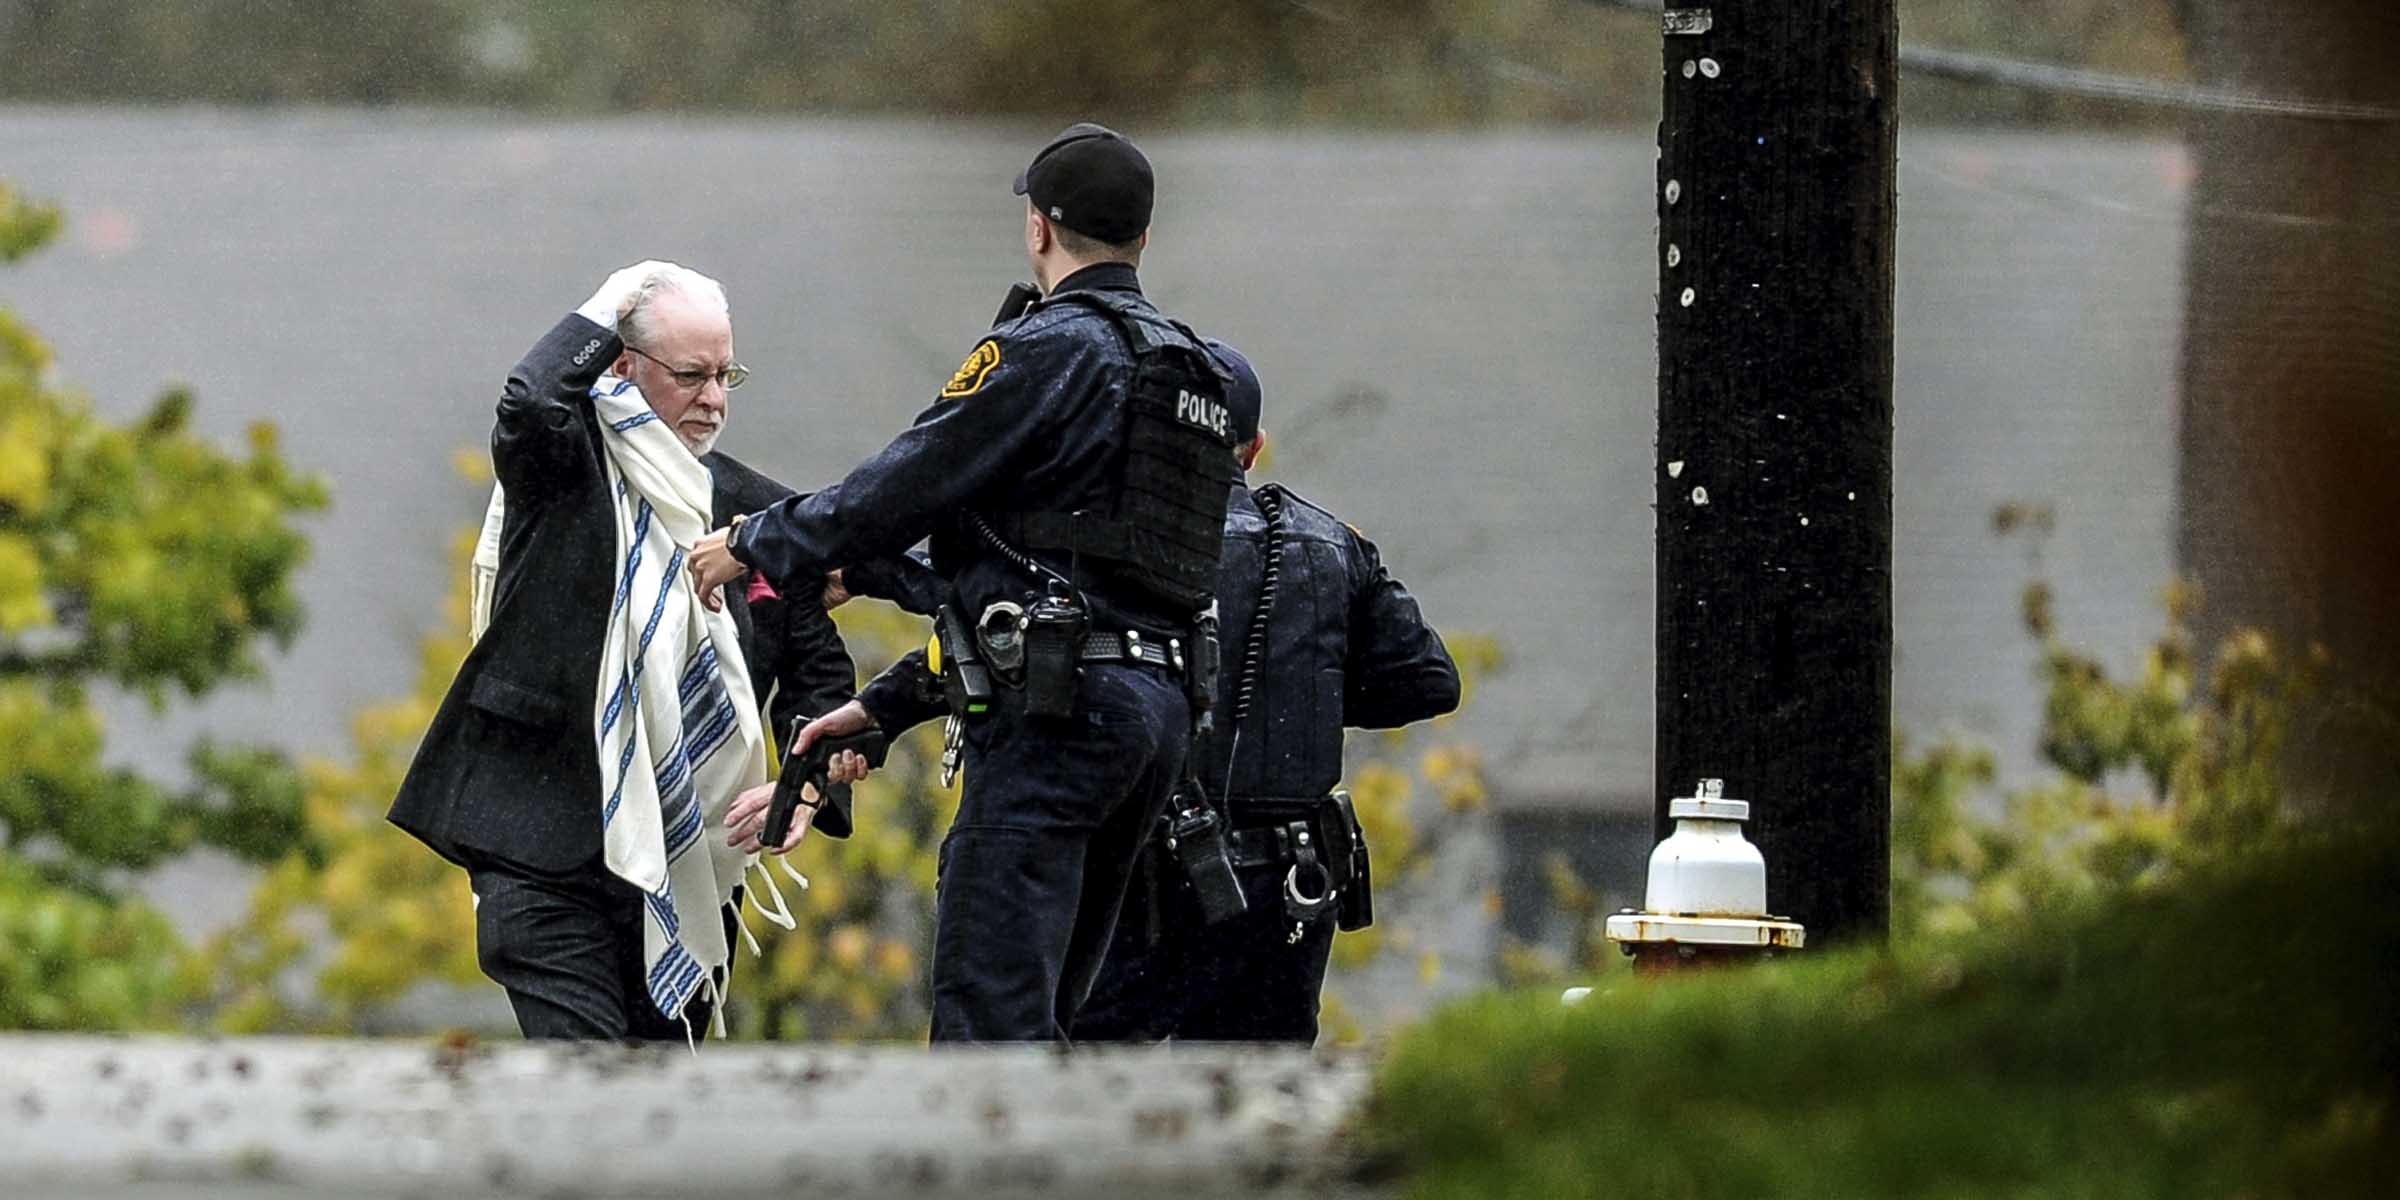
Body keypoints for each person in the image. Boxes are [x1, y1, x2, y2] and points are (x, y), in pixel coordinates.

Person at [691, 122, 1242, 1042]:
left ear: (1039, 227)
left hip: (1057, 724)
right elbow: (1069, 561)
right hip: (1157, 720)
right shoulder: (1191, 371)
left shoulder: (1052, 347)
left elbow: (901, 484)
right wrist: (885, 676)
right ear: (1143, 239)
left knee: (989, 1026)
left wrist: (756, 540)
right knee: (1057, 1019)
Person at [389, 262, 863, 1041]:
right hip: (543, 851)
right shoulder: (562, 463)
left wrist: (805, 788)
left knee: (658, 1109)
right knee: (592, 1087)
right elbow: (533, 397)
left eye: (724, 375)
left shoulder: (760, 517)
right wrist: (624, 290)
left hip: (693, 865)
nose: (713, 399)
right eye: (688, 375)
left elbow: (819, 671)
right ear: (622, 365)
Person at [1073, 343, 1462, 1044]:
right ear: (1254, 448)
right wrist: (1307, 693)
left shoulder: (1106, 542)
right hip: (1288, 891)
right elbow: (1429, 679)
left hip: (1143, 880)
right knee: (1259, 1113)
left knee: (1101, 1099)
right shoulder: (1330, 546)